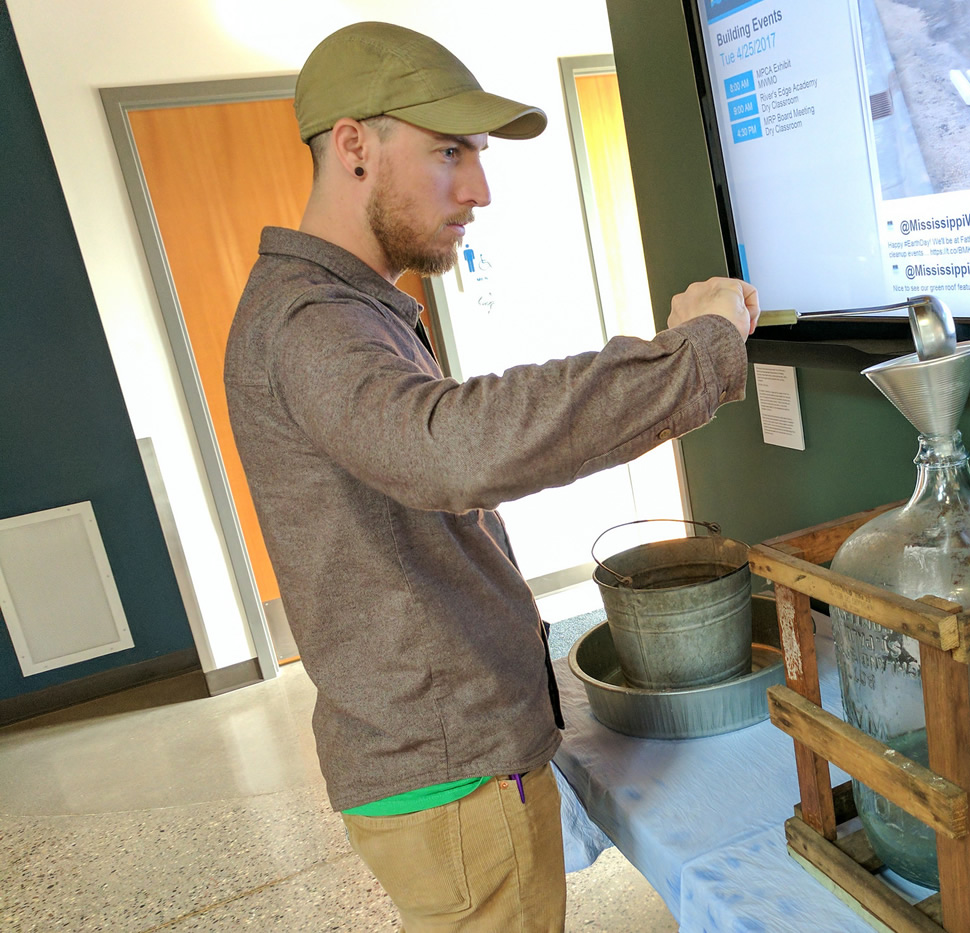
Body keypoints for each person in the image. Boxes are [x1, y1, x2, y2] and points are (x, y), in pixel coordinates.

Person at [223, 21, 759, 933]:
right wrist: (694, 355)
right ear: (353, 144)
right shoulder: (311, 320)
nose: (479, 187)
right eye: (449, 153)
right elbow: (453, 449)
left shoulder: (345, 308)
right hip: (448, 774)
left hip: (443, 759)